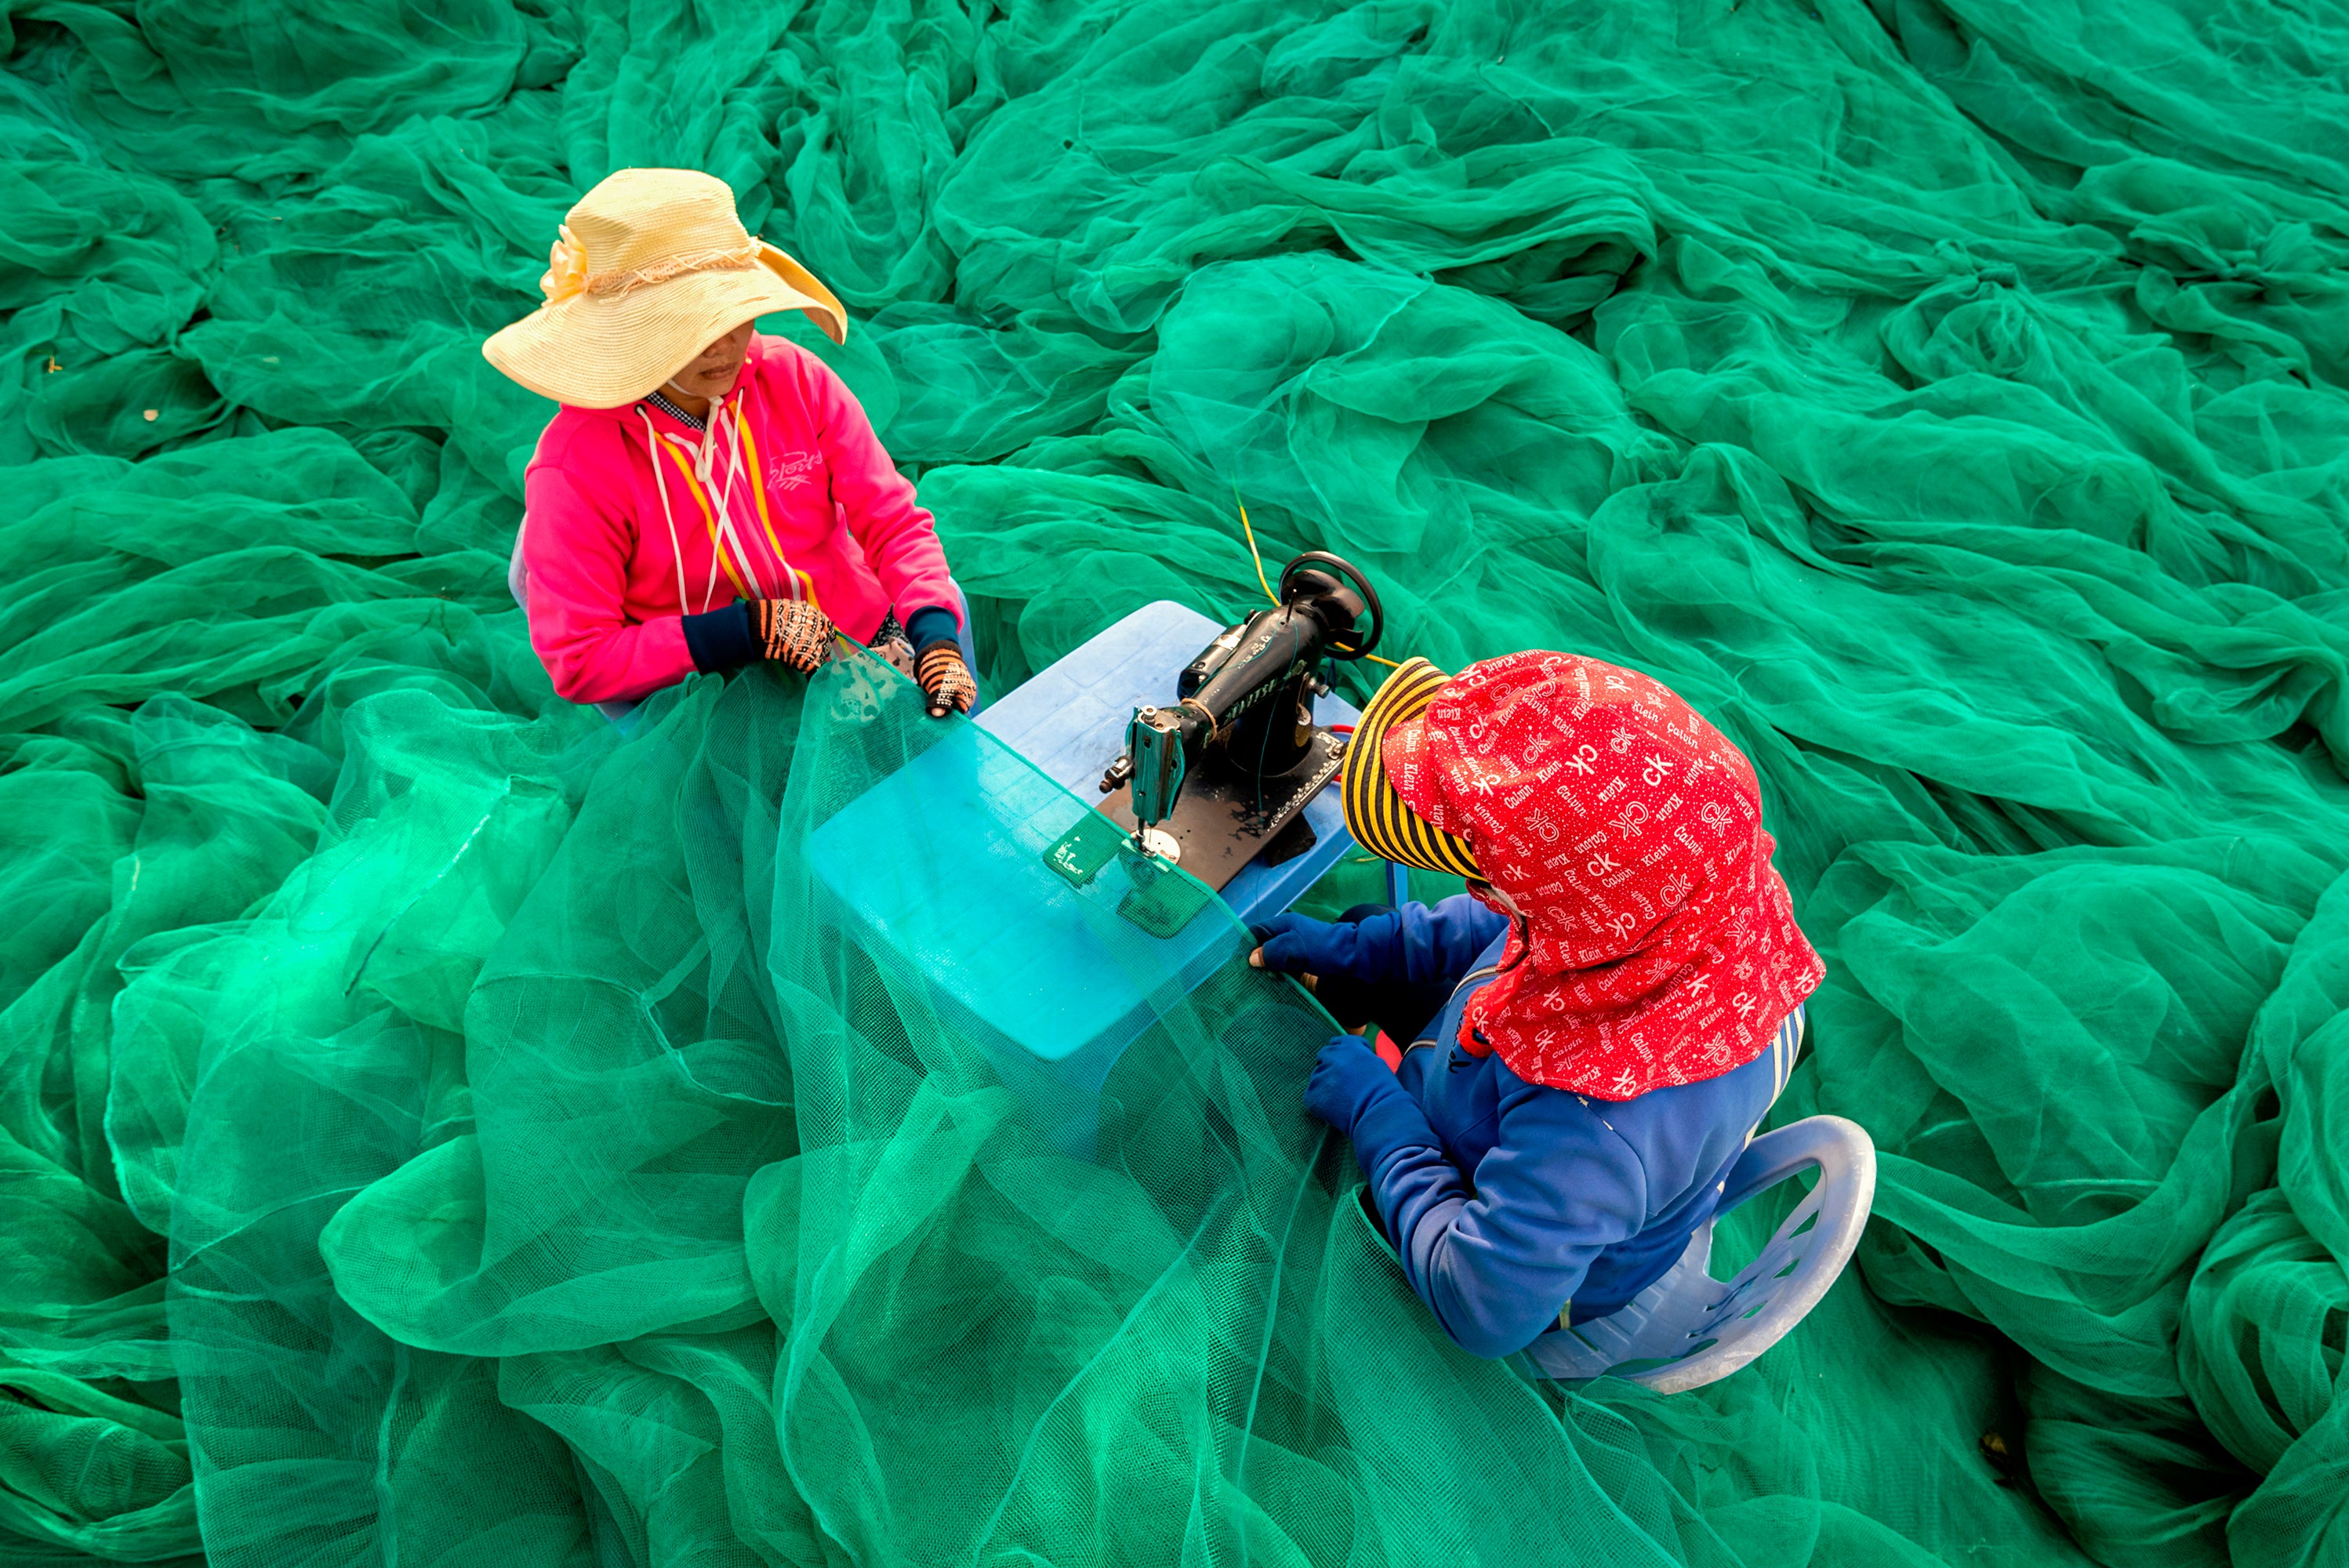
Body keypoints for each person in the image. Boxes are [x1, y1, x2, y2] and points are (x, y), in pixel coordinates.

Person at [1251, 652, 1824, 1359]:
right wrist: (1356, 946)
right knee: (1373, 927)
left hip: (1523, 1267)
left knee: (1284, 1176)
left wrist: (1383, 1121)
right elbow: (1501, 927)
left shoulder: (1590, 1128)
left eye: (1488, 874)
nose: (1485, 889)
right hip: (1515, 1120)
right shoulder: (1695, 904)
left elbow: (1479, 1305)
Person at [482, 167, 976, 718]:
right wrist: (745, 630)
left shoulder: (797, 381)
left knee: (946, 634)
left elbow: (892, 521)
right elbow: (578, 658)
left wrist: (935, 637)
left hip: (851, 628)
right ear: (629, 330)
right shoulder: (576, 466)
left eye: (732, 314)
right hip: (704, 687)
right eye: (684, 325)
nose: (722, 347)